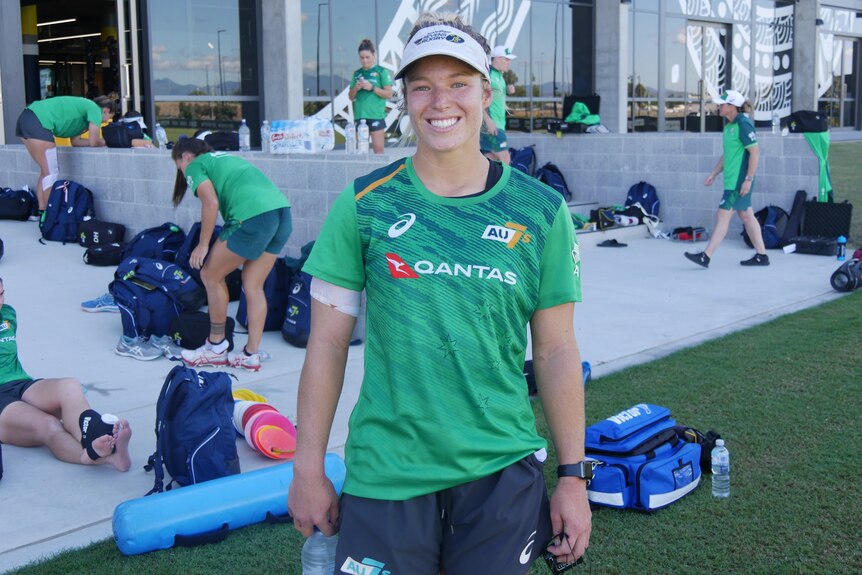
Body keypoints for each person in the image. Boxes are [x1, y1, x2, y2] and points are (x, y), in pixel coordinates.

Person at [288, 12, 591, 574]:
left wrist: (573, 476)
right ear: (402, 97)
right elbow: (327, 346)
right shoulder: (362, 205)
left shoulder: (541, 210)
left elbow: (555, 350)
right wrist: (308, 468)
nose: (440, 101)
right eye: (422, 85)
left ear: (486, 93)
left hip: (500, 472)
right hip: (387, 472)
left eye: (458, 83)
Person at [171, 138, 291, 372]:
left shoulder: (196, 164)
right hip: (281, 214)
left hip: (252, 217)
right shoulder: (226, 158)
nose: (182, 173)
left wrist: (203, 244)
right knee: (253, 285)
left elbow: (210, 202)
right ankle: (250, 354)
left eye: (178, 166)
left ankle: (216, 347)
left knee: (210, 276)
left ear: (185, 157)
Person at [0, 277, 132, 471]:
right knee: (49, 425)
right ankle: (98, 456)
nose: (0, 302)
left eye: (2, 293)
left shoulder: (8, 314)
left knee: (69, 385)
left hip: (20, 384)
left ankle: (97, 439)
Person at [685, 90, 769, 268]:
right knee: (746, 215)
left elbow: (755, 152)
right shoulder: (729, 127)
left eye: (722, 104)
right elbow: (728, 154)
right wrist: (714, 173)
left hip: (739, 181)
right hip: (731, 180)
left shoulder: (744, 124)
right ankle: (762, 256)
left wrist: (748, 179)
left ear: (731, 106)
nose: (719, 107)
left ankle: (705, 256)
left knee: (722, 214)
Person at [15, 96, 115, 219]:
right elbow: (94, 142)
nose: (105, 122)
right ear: (106, 110)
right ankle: (51, 217)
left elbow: (76, 142)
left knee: (46, 171)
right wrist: (109, 141)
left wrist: (100, 141)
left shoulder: (82, 115)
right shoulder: (94, 108)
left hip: (27, 118)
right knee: (51, 173)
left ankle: (41, 211)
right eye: (108, 118)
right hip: (39, 121)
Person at [348, 38, 394, 154]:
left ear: (373, 55)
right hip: (360, 116)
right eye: (362, 58)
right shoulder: (357, 73)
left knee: (378, 151)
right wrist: (356, 88)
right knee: (360, 151)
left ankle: (381, 173)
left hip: (376, 116)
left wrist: (372, 88)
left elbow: (389, 94)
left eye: (367, 57)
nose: (364, 60)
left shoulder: (381, 71)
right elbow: (351, 96)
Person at [481, 45, 516, 166]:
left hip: (499, 124)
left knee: (490, 160)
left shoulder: (500, 76)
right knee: (505, 159)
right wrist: (488, 121)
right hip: (491, 125)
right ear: (496, 59)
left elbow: (494, 95)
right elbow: (478, 99)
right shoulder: (487, 74)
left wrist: (507, 90)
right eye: (506, 59)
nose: (509, 62)